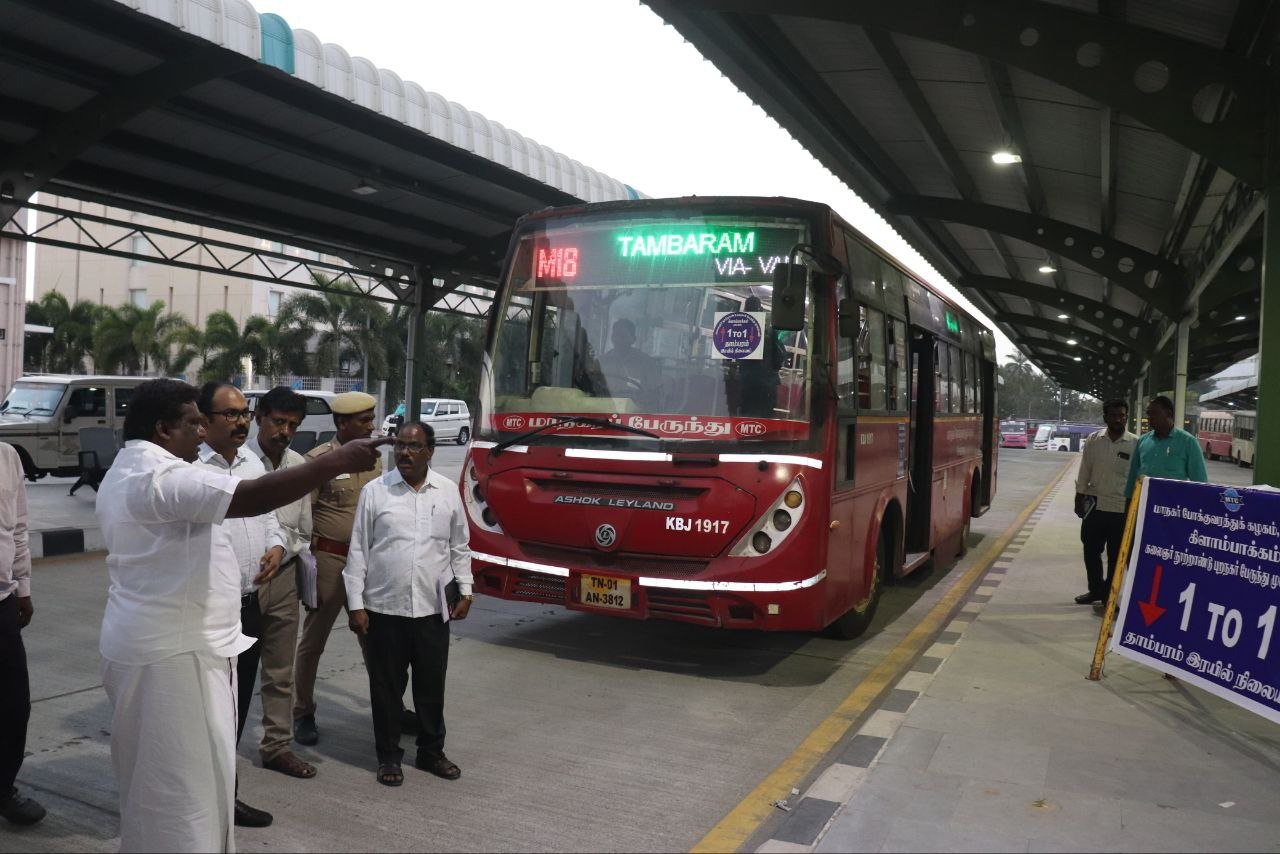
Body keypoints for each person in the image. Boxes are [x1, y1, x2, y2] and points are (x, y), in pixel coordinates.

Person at [96, 378, 387, 852]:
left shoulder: (133, 467)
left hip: (166, 645)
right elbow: (250, 498)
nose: (202, 432)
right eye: (193, 423)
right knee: (182, 789)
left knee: (166, 782)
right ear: (163, 428)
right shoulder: (161, 475)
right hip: (174, 654)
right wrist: (334, 461)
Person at [344, 421, 473, 787]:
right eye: (399, 445)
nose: (404, 453)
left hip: (433, 610)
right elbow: (358, 551)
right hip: (384, 609)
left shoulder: (447, 492)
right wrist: (356, 604)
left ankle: (431, 751)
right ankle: (388, 757)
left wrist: (466, 590)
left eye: (414, 447)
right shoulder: (375, 492)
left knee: (431, 688)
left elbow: (459, 546)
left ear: (430, 452)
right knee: (386, 689)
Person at [293, 391, 385, 746]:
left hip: (367, 564)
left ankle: (386, 707)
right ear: (343, 423)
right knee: (313, 643)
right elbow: (302, 519)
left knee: (373, 640)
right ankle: (303, 713)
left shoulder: (375, 459)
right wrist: (306, 572)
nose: (371, 425)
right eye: (364, 420)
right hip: (330, 561)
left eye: (372, 418)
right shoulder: (318, 461)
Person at [248, 387, 315, 781]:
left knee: (279, 671)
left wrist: (282, 551)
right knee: (232, 670)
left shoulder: (298, 466)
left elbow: (304, 533)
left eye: (292, 425)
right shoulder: (235, 464)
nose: (284, 431)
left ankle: (276, 747)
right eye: (278, 422)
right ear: (259, 416)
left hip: (285, 579)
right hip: (242, 581)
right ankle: (221, 742)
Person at [0, 442, 44, 827]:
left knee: (15, 705)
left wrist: (23, 586)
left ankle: (3, 788)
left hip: (2, 601)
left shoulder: (7, 457)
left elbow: (17, 527)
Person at [1072, 399, 1137, 604]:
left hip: (1121, 508)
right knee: (1090, 550)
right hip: (1094, 505)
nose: (1118, 419)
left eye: (1122, 415)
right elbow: (1085, 470)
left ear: (1127, 417)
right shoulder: (1093, 439)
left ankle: (1110, 596)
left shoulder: (1136, 443)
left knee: (1116, 556)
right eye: (1114, 415)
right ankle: (1095, 590)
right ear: (1105, 417)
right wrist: (1079, 496)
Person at [1124, 395, 1208, 502]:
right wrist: (1129, 503)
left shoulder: (1188, 442)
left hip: (1172, 509)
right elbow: (1133, 476)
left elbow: (1200, 482)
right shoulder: (1143, 441)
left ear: (1169, 414)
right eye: (1148, 414)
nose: (1149, 417)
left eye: (1154, 413)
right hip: (1143, 506)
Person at [598, 318, 660, 407]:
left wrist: (639, 403)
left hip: (635, 415)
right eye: (616, 335)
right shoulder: (601, 362)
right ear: (612, 338)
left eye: (623, 336)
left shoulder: (647, 363)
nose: (618, 340)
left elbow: (655, 395)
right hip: (603, 412)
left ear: (633, 339)